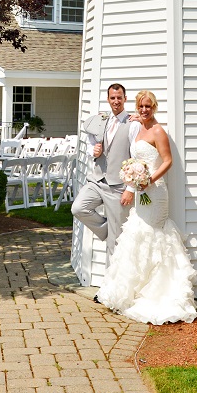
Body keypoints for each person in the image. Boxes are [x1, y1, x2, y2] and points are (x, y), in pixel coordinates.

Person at [96, 89, 197, 324]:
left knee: (155, 235)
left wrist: (148, 180)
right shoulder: (139, 127)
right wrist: (133, 178)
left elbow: (168, 161)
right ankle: (134, 289)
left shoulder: (158, 130)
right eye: (140, 106)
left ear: (154, 107)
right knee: (138, 233)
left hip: (156, 191)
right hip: (141, 192)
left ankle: (158, 291)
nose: (144, 110)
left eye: (148, 107)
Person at [72, 83, 139, 265]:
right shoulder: (101, 120)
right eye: (112, 98)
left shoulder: (133, 124)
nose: (116, 101)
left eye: (119, 98)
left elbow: (136, 156)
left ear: (125, 99)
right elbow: (90, 141)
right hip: (97, 179)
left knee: (115, 243)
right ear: (108, 99)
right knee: (78, 208)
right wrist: (93, 150)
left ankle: (109, 288)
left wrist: (130, 189)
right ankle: (108, 229)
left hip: (118, 186)